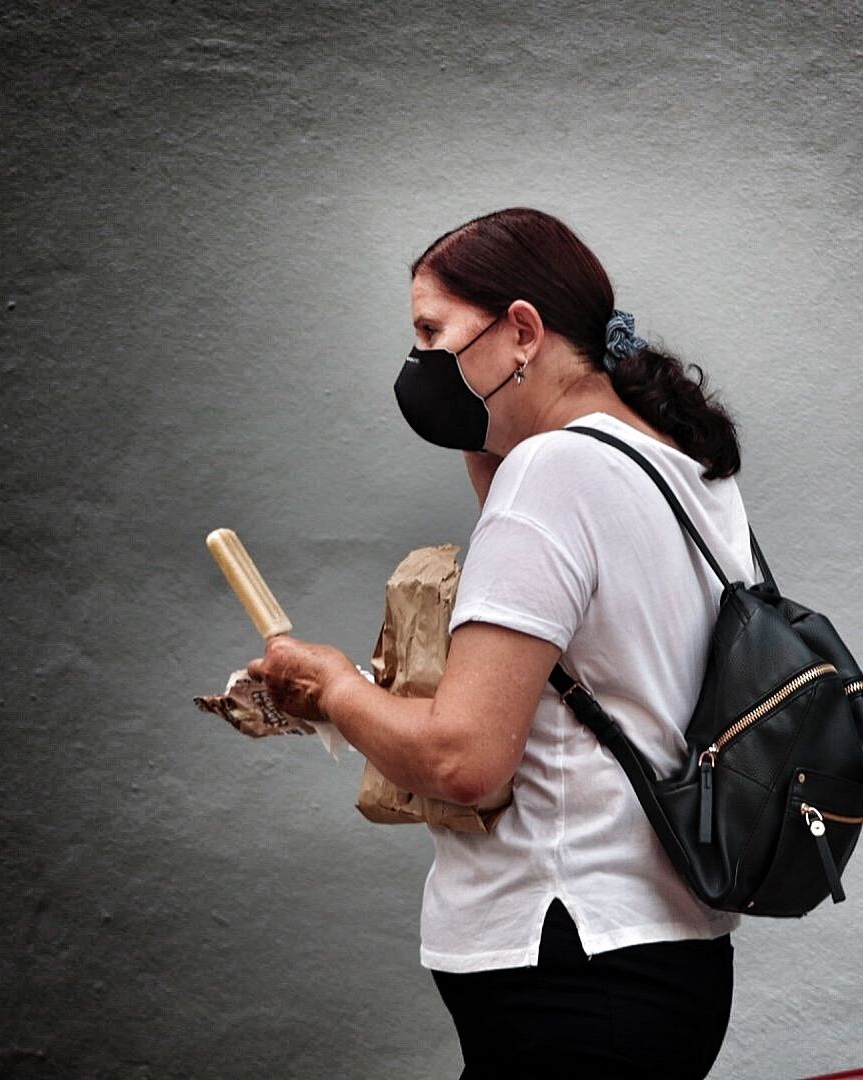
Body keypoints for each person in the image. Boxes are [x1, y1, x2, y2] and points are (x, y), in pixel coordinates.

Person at [247, 207, 757, 1079]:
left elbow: (465, 760)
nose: (419, 365)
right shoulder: (676, 466)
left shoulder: (551, 474)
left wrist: (333, 686)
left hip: (567, 968)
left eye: (431, 333)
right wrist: (489, 446)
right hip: (666, 954)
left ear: (522, 329)